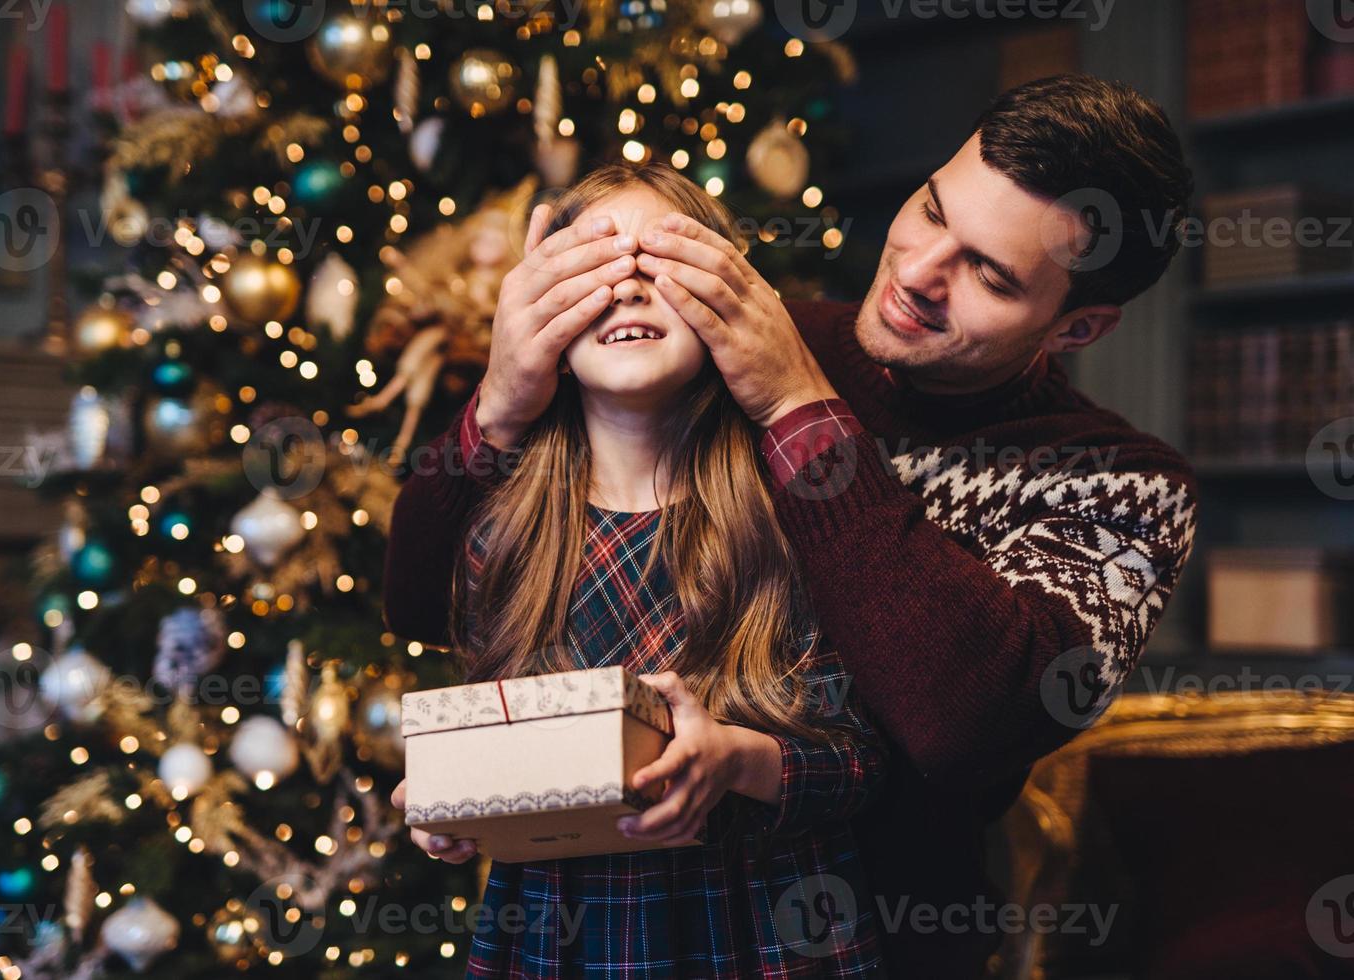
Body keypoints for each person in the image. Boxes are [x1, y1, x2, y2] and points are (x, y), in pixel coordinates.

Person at [384, 74, 1199, 976]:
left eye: (990, 274)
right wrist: (498, 402)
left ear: (1077, 327)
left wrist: (796, 405)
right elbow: (425, 598)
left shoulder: (1125, 488)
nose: (919, 274)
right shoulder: (725, 340)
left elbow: (961, 727)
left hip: (870, 943)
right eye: (931, 210)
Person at [392, 163, 889, 977]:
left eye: (659, 266)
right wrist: (453, 802)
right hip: (560, 938)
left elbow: (866, 763)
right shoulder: (501, 533)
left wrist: (734, 757)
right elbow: (497, 742)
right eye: (591, 270)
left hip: (763, 930)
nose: (625, 290)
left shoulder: (796, 512)